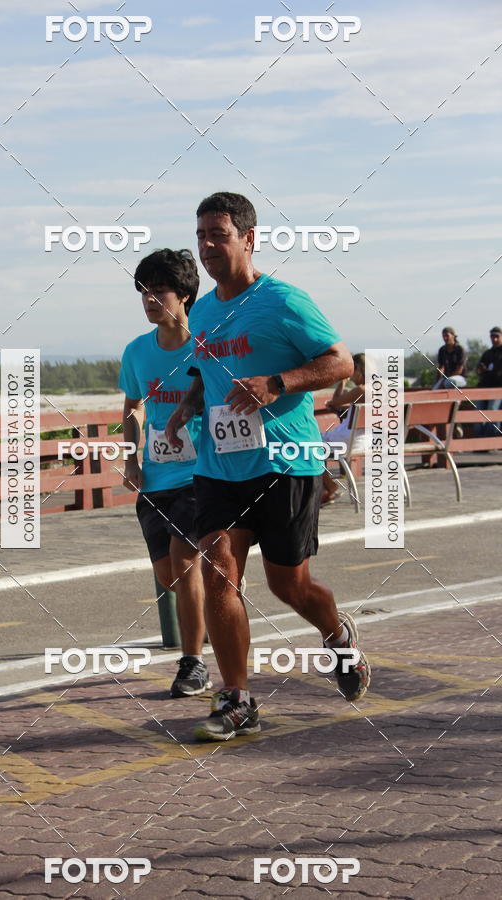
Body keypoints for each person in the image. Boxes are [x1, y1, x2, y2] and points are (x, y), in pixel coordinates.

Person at [166, 192, 371, 741]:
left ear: (249, 239)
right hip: (221, 467)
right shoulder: (203, 311)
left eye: (219, 234)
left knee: (290, 586)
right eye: (201, 235)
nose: (207, 246)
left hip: (287, 462)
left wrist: (277, 384)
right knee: (219, 573)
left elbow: (340, 362)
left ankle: (336, 635)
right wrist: (188, 405)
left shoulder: (283, 301)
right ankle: (237, 698)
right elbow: (203, 369)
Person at [120, 248, 211, 698]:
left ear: (185, 297)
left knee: (184, 560)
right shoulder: (137, 352)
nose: (149, 300)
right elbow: (133, 404)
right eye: (143, 292)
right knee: (169, 577)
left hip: (202, 475)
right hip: (155, 478)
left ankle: (193, 664)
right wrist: (131, 456)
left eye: (159, 292)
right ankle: (217, 599)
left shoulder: (207, 346)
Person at [320, 352, 366, 504]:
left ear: (359, 369)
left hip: (351, 440)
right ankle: (327, 489)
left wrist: (343, 381)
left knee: (308, 445)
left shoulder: (361, 390)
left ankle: (329, 487)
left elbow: (335, 403)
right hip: (371, 441)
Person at [475, 326, 502, 438]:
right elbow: (479, 369)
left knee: (492, 411)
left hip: (498, 388)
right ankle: (479, 439)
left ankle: (490, 439)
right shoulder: (487, 353)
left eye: (497, 336)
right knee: (477, 412)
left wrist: (492, 371)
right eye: (492, 336)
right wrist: (482, 370)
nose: (494, 339)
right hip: (484, 387)